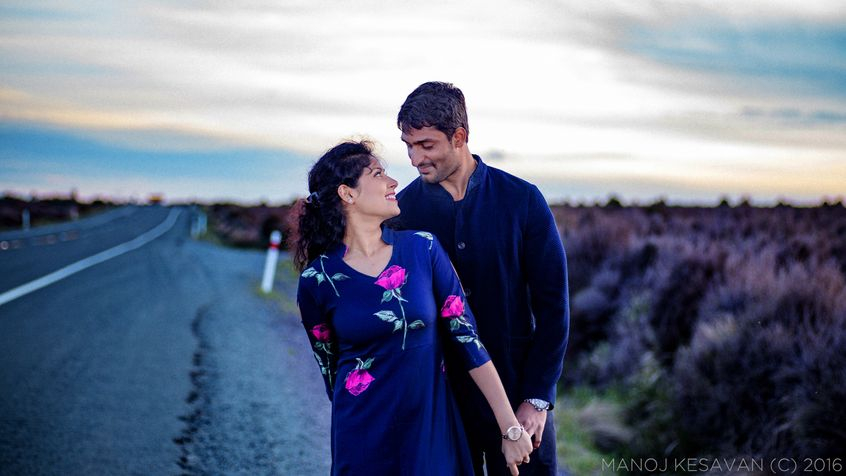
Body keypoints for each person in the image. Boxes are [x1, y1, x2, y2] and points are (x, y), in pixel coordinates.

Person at [294, 140, 533, 475]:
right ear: (347, 194)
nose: (393, 182)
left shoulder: (423, 249)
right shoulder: (317, 280)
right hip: (361, 437)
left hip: (429, 430)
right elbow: (332, 373)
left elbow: (468, 340)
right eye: (378, 174)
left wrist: (509, 427)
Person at [392, 81, 570, 476]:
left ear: (459, 137)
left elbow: (554, 308)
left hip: (518, 396)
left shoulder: (522, 200)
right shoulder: (402, 213)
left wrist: (537, 398)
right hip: (442, 403)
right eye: (408, 145)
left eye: (426, 145)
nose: (415, 158)